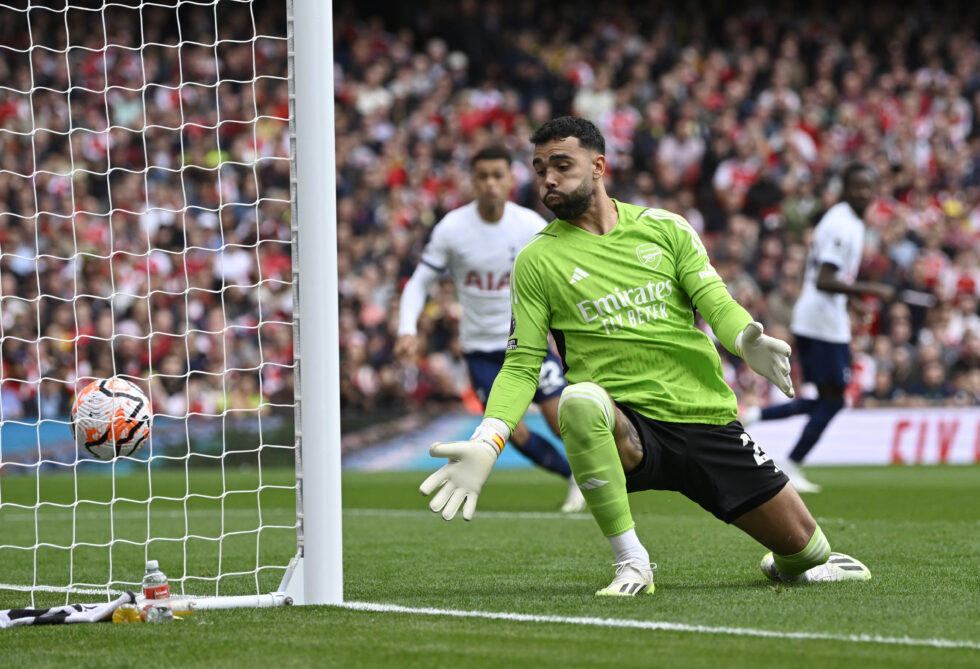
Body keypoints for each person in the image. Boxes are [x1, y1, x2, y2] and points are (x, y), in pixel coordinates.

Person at [419, 117, 872, 596]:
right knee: (580, 400)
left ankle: (790, 557)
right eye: (539, 168)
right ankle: (633, 563)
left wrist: (745, 340)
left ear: (598, 167)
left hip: (704, 419)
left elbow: (714, 301)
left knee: (806, 552)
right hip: (625, 425)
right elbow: (523, 362)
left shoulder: (665, 228)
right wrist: (489, 437)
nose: (548, 178)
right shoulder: (537, 259)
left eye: (561, 165)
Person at [396, 145, 585, 513]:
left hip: (528, 342)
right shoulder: (452, 229)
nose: (490, 184)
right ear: (472, 181)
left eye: (498, 175)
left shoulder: (530, 225)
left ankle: (596, 472)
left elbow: (564, 275)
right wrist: (407, 329)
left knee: (562, 420)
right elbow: (419, 282)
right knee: (513, 432)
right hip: (481, 349)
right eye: (482, 176)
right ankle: (572, 476)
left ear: (511, 179)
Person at [741, 163, 894, 493]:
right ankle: (791, 462)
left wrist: (852, 303)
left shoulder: (845, 219)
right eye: (857, 187)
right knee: (834, 400)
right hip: (822, 322)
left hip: (821, 318)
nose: (863, 194)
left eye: (868, 188)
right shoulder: (842, 224)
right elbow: (825, 279)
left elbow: (825, 278)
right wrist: (871, 289)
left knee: (828, 398)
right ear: (844, 189)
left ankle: (756, 416)